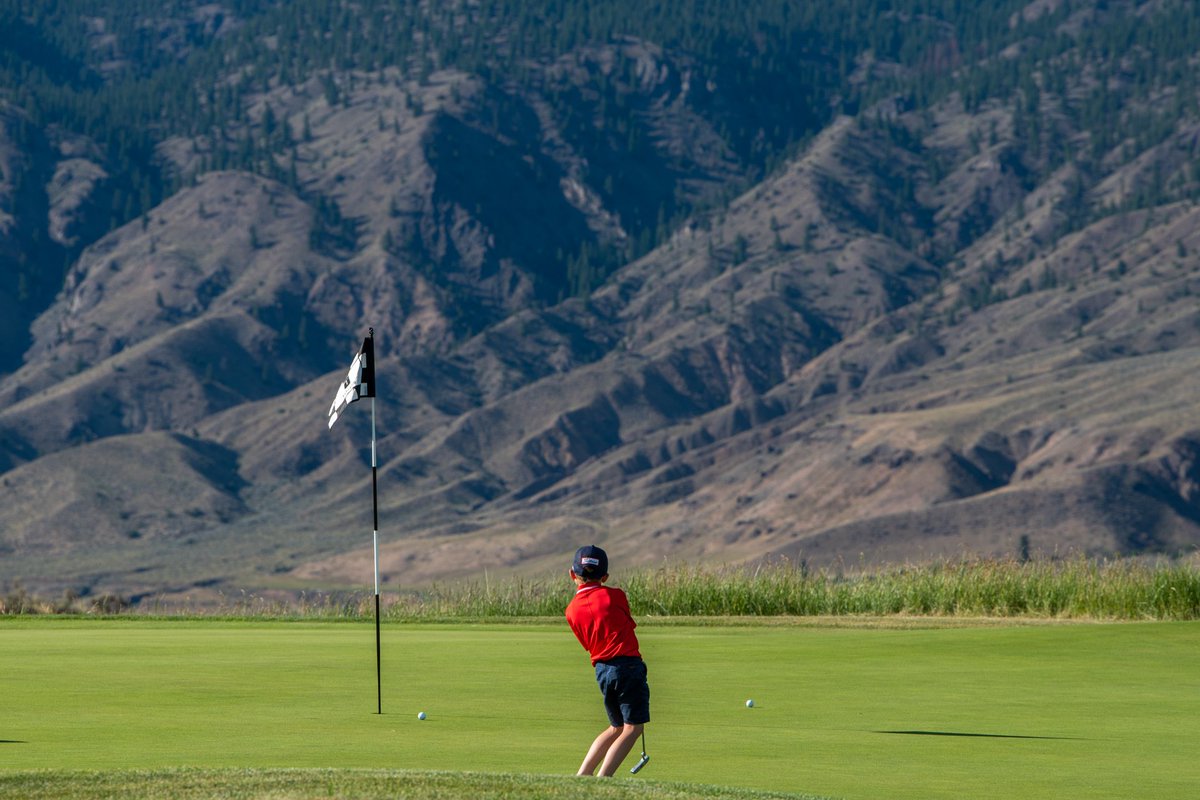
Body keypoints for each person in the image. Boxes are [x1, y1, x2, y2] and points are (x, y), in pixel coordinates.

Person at [564, 544, 650, 777]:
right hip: (628, 667)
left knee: (616, 727)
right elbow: (628, 622)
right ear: (605, 576)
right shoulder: (616, 595)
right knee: (633, 728)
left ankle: (583, 774)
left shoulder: (570, 610)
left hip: (602, 669)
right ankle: (604, 779)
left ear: (573, 574)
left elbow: (587, 644)